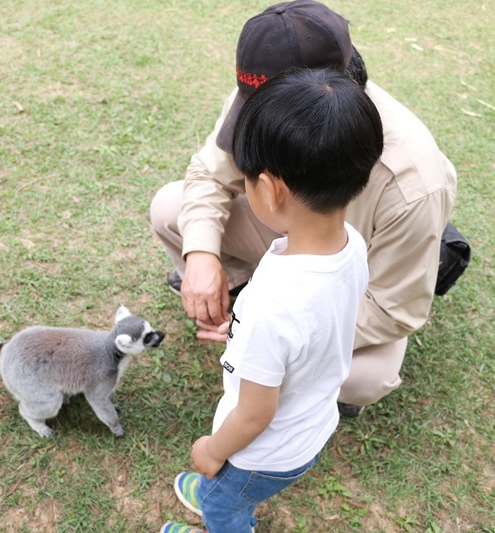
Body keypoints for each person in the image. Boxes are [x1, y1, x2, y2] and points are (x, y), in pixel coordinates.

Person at [150, 0, 457, 416]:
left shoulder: (412, 182)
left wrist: (277, 331)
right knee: (172, 208)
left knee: (367, 377)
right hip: (285, 236)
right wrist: (202, 255)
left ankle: (310, 374)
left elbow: (391, 308)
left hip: (352, 282)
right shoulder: (262, 89)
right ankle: (241, 285)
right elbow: (208, 173)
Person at [161, 67, 383, 533]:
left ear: (273, 187)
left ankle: (220, 512)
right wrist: (245, 330)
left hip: (256, 455)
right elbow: (313, 328)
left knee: (225, 507)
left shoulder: (273, 303)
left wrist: (212, 450)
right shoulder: (353, 244)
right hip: (310, 428)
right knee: (228, 493)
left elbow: (255, 413)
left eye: (246, 178)